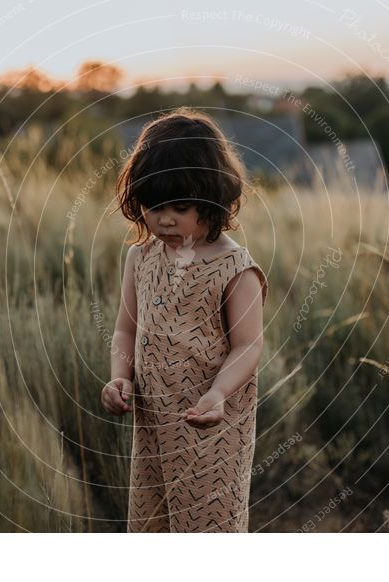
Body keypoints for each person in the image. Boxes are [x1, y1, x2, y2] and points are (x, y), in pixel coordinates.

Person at [101, 107, 268, 532]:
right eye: (153, 205)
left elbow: (248, 344)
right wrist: (120, 376)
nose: (165, 218)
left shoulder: (234, 269)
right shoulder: (141, 257)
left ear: (212, 197)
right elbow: (126, 328)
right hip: (153, 427)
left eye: (180, 205)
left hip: (209, 430)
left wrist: (219, 393)